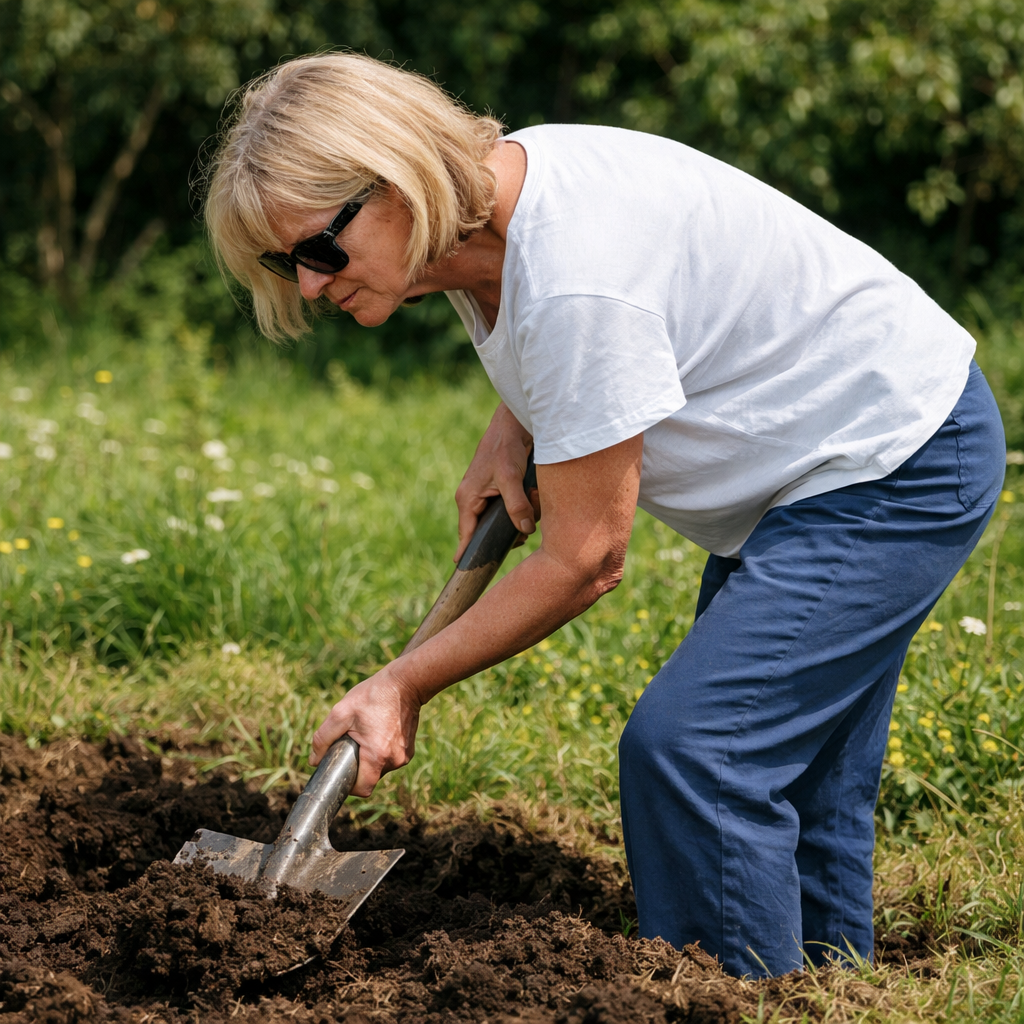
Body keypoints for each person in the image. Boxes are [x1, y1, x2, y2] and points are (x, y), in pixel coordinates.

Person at [203, 52, 1005, 977]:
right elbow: (570, 323)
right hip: (815, 461)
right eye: (281, 262)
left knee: (699, 757)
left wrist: (402, 684)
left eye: (318, 250)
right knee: (797, 766)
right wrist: (519, 420)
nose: (307, 284)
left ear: (396, 184)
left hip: (890, 459)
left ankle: (736, 1000)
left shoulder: (577, 270)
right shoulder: (495, 207)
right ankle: (830, 987)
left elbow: (586, 557)